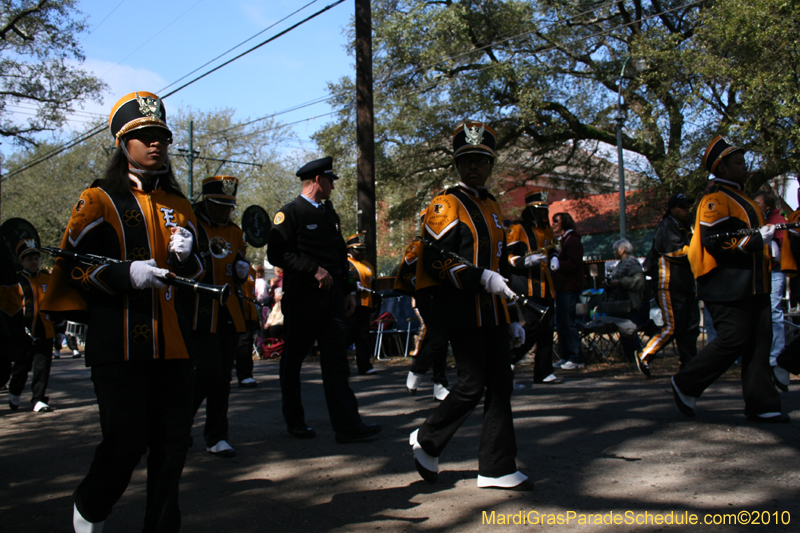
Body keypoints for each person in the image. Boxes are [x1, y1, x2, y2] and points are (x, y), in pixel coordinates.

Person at [40, 91, 204, 532]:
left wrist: (188, 258)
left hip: (174, 345)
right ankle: (90, 506)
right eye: (145, 136)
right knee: (125, 443)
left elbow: (198, 274)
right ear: (121, 144)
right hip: (119, 347)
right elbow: (68, 270)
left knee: (173, 445)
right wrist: (122, 276)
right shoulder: (97, 200)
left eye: (162, 137)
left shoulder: (181, 205)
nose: (156, 144)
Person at [409, 121, 530, 491]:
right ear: (457, 165)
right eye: (467, 160)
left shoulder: (492, 205)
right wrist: (480, 277)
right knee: (472, 384)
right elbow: (435, 260)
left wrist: (512, 316)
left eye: (481, 159)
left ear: (491, 164)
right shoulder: (445, 204)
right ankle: (427, 439)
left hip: (493, 310)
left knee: (501, 384)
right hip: (461, 308)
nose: (474, 166)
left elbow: (499, 264)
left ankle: (496, 467)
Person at [267, 156, 382, 444]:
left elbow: (338, 258)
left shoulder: (330, 214)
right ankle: (296, 422)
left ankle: (347, 426)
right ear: (318, 180)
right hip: (303, 301)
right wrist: (311, 268)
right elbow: (276, 254)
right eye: (330, 180)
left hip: (331, 303)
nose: (333, 185)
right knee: (293, 362)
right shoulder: (290, 213)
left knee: (337, 363)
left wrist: (348, 290)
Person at [674, 136, 786, 422]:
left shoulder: (745, 198)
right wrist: (754, 241)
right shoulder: (714, 200)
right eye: (738, 163)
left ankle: (762, 402)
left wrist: (767, 243)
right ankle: (686, 383)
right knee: (733, 339)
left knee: (760, 342)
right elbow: (714, 241)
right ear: (721, 167)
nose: (744, 167)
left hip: (754, 282)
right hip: (726, 283)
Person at [191, 175, 251, 457]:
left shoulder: (236, 231)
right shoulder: (190, 225)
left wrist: (242, 270)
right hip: (197, 311)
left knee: (223, 377)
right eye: (220, 205)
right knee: (205, 372)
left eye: (230, 206)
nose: (226, 211)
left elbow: (239, 260)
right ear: (207, 202)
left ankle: (217, 435)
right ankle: (177, 424)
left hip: (229, 310)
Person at [636, 193, 700, 377]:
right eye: (682, 207)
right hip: (669, 284)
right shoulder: (667, 225)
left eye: (688, 207)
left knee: (691, 326)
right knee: (673, 325)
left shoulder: (685, 227)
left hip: (686, 284)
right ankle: (644, 355)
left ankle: (689, 365)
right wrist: (700, 248)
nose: (686, 210)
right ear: (672, 208)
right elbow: (678, 252)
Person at [506, 190, 561, 385]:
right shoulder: (517, 228)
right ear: (529, 211)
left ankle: (544, 371)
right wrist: (524, 261)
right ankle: (509, 359)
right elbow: (507, 256)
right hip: (525, 286)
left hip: (546, 285)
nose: (541, 214)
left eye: (544, 210)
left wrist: (554, 256)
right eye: (537, 211)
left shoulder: (546, 229)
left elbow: (552, 246)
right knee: (532, 326)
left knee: (547, 328)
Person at [395, 210, 450, 401]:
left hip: (446, 296)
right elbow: (406, 273)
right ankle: (419, 371)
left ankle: (439, 384)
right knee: (438, 340)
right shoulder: (417, 246)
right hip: (427, 297)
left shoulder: (448, 245)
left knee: (440, 340)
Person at [8, 240, 56, 412]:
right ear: (22, 262)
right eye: (29, 259)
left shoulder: (48, 278)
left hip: (45, 330)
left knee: (42, 368)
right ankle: (15, 391)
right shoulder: (17, 281)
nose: (34, 261)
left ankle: (38, 399)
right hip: (23, 332)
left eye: (36, 258)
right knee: (21, 367)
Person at [753, 190, 787, 372]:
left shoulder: (778, 221)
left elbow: (782, 247)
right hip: (761, 273)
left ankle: (776, 354)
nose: (755, 204)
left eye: (758, 202)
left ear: (768, 205)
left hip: (774, 272)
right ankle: (764, 353)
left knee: (774, 312)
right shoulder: (758, 220)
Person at [550, 212, 585, 370]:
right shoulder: (564, 241)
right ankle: (565, 356)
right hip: (563, 287)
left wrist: (559, 265)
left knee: (568, 323)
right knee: (563, 323)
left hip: (569, 287)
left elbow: (574, 264)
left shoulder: (572, 241)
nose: (554, 224)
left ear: (564, 223)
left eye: (556, 221)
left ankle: (576, 357)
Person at [605, 239, 646, 363]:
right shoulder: (621, 263)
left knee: (630, 332)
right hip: (620, 304)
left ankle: (638, 356)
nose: (614, 252)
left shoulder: (632, 262)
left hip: (629, 304)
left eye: (615, 250)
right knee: (624, 332)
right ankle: (629, 356)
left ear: (622, 250)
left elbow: (639, 281)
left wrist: (620, 282)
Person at [345, 232, 377, 375]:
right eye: (358, 250)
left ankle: (365, 366)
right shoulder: (347, 263)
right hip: (352, 304)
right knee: (348, 335)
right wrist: (353, 285)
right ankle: (340, 365)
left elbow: (373, 282)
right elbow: (348, 278)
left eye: (362, 250)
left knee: (364, 336)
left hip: (366, 304)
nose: (360, 253)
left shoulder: (368, 265)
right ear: (350, 250)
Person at [235, 264, 260, 387]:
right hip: (233, 309)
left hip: (248, 310)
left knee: (246, 343)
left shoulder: (250, 268)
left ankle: (245, 374)